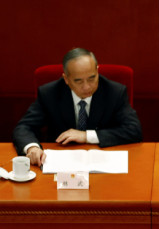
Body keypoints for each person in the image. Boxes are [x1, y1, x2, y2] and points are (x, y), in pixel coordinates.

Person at [12, 48, 143, 166]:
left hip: (103, 162)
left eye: (92, 78)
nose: (86, 86)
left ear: (97, 71)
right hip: (59, 164)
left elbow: (134, 130)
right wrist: (32, 148)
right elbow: (24, 127)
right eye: (78, 81)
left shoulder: (115, 92)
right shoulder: (49, 93)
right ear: (66, 79)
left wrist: (86, 136)